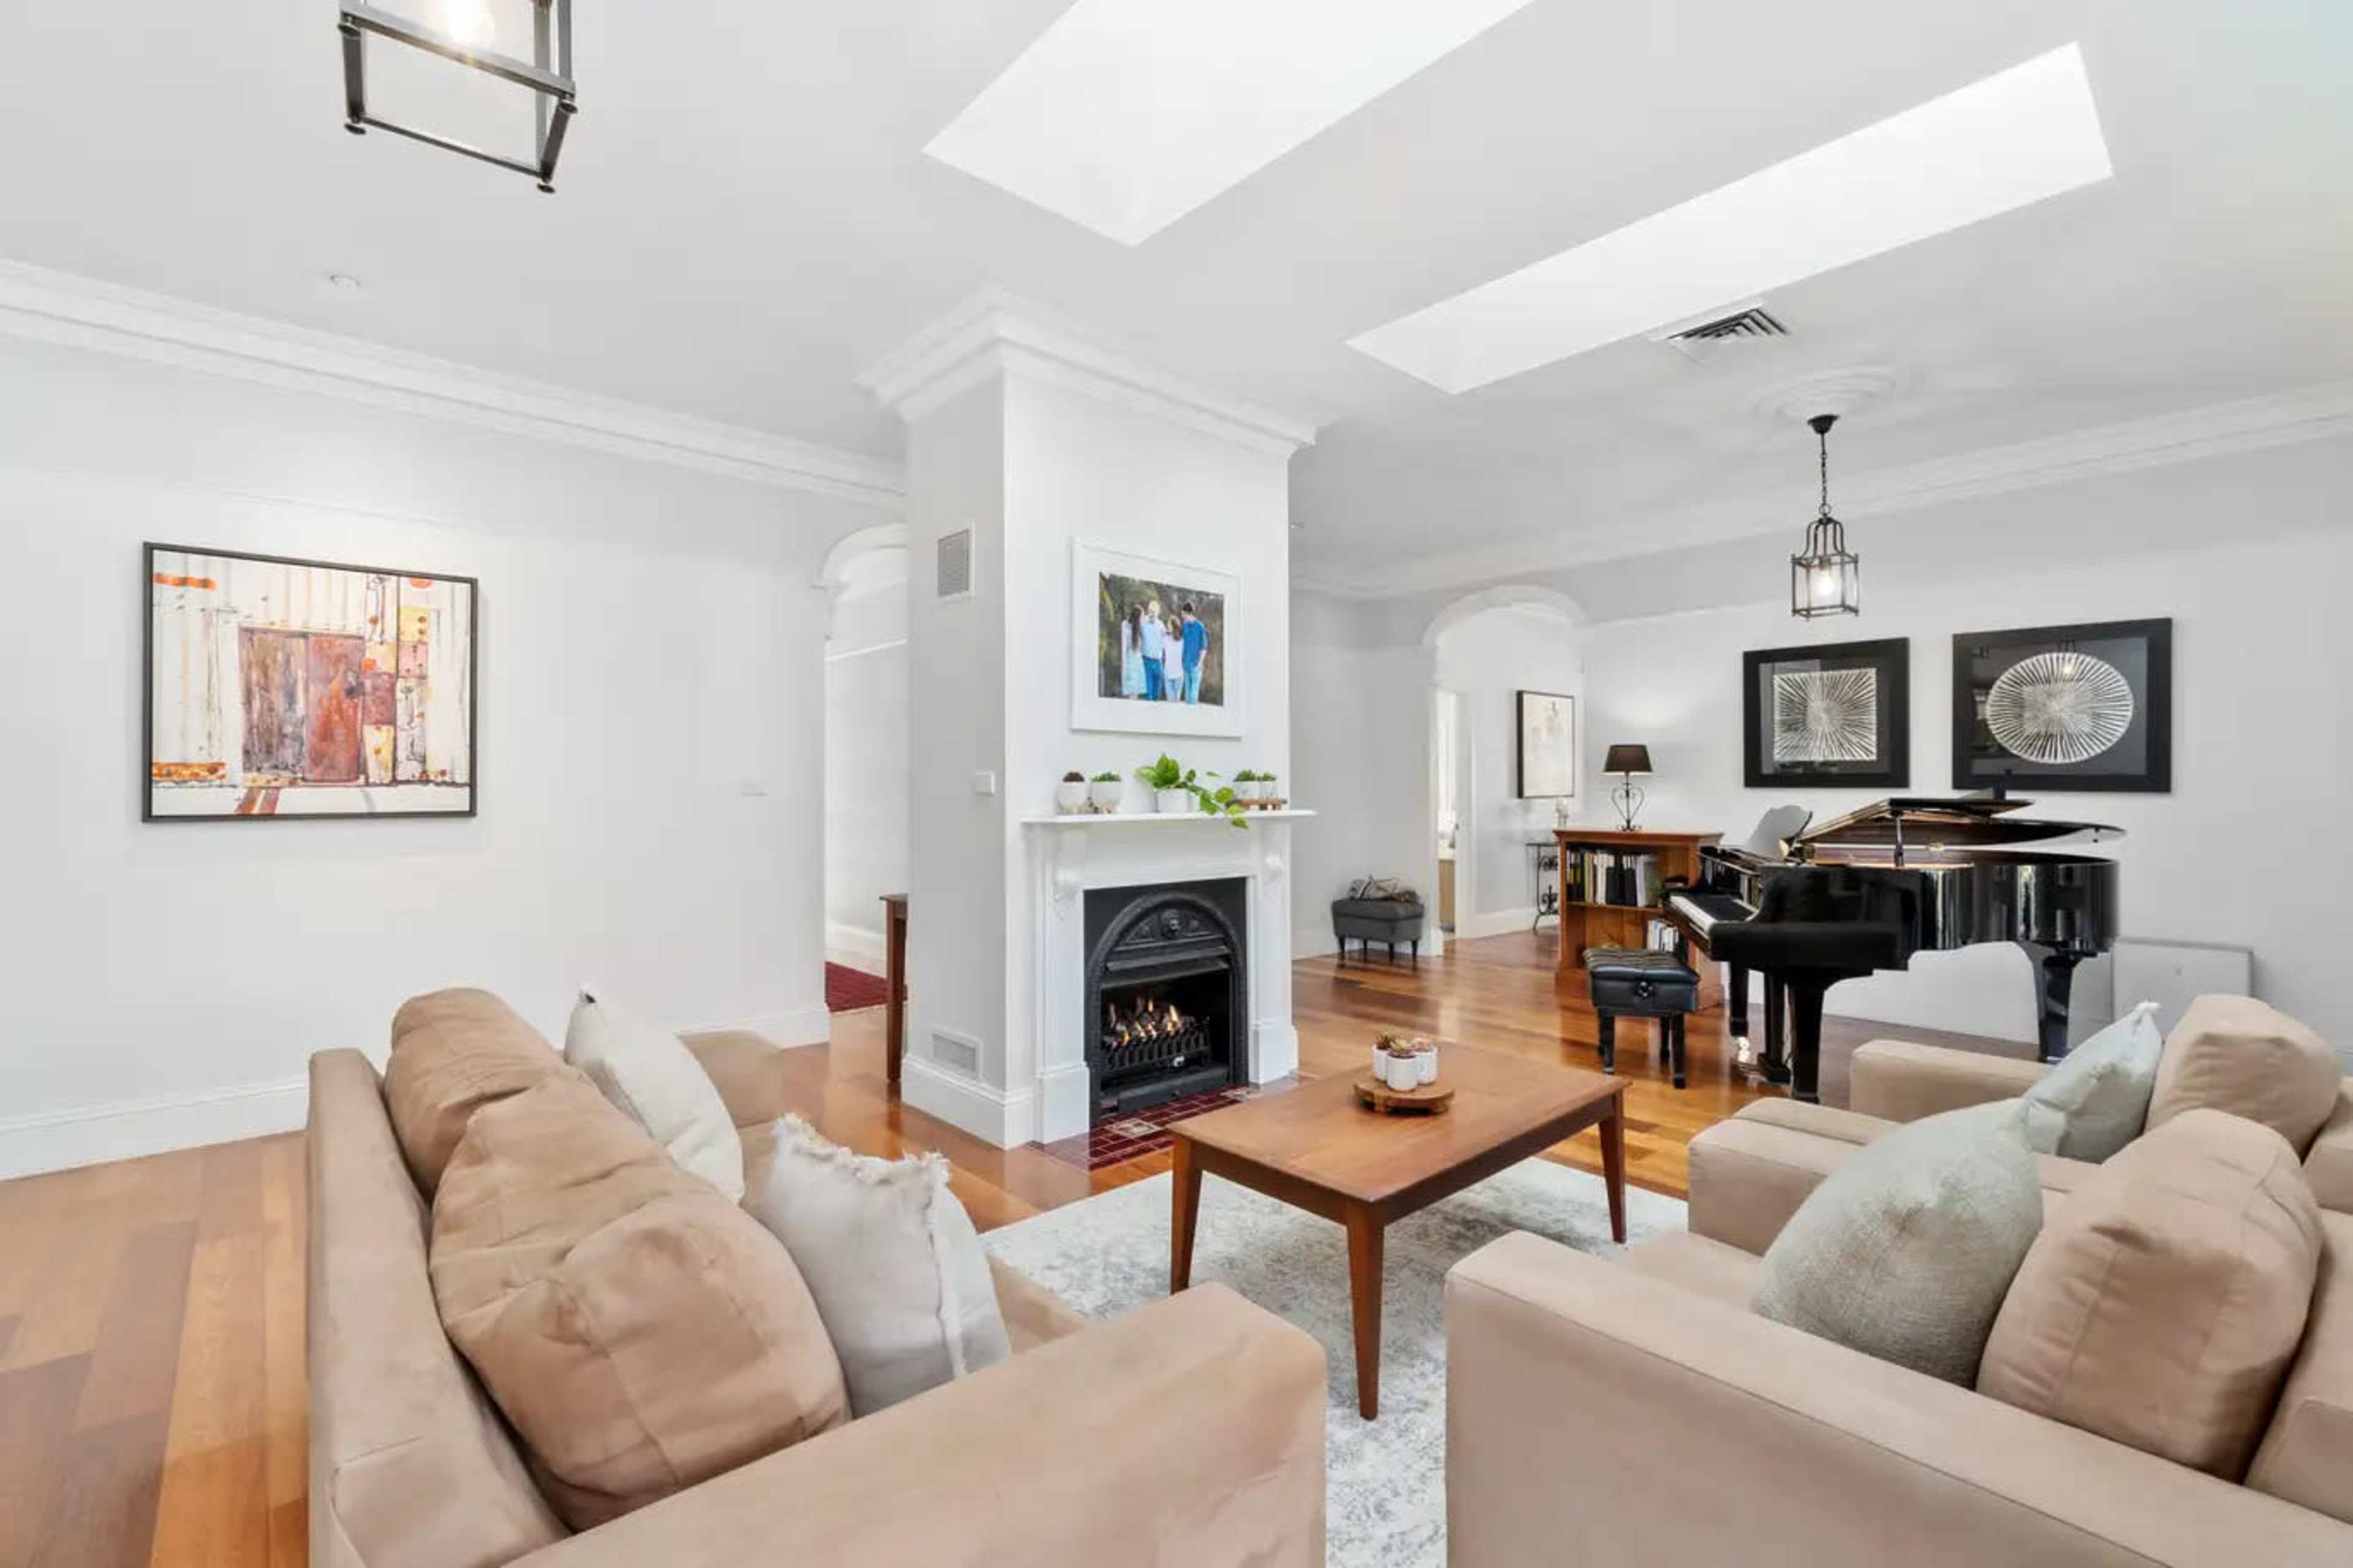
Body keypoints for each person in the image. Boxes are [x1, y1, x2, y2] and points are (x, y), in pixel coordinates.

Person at [1179, 599, 1209, 703]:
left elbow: (1204, 647)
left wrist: (1200, 664)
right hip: (1186, 665)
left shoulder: (1200, 626)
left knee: (1193, 697)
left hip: (1196, 665)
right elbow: (1181, 640)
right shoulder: (1185, 625)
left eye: (1183, 613)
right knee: (1187, 698)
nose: (1182, 616)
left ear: (1188, 613)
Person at [1139, 599, 1166, 700]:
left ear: (1158, 613)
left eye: (1154, 612)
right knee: (1148, 694)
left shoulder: (1161, 626)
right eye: (1150, 611)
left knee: (1157, 695)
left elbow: (1165, 644)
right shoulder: (1143, 622)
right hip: (1146, 660)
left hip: (1158, 662)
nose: (1151, 614)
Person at [1118, 602, 1145, 697]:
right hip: (1130, 660)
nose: (1143, 618)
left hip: (1138, 660)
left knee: (1136, 691)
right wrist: (1124, 664)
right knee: (1132, 691)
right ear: (1137, 616)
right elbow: (1124, 645)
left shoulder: (1140, 627)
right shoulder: (1125, 624)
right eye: (1142, 616)